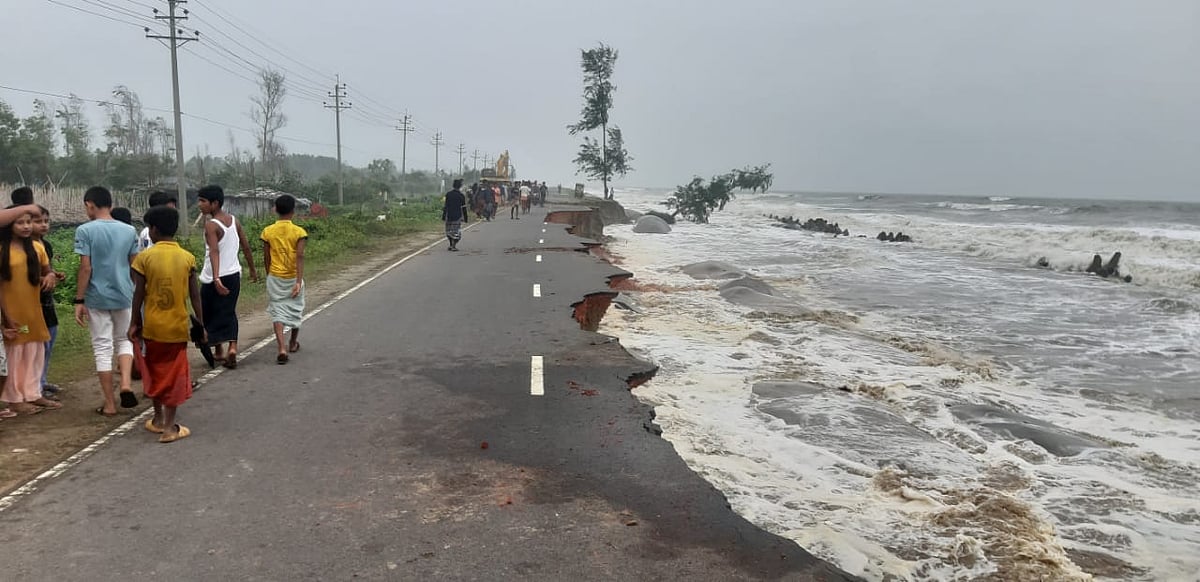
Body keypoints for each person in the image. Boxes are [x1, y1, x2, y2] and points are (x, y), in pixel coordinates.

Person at [129, 206, 202, 443]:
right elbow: (195, 296)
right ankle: (170, 427)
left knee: (156, 370)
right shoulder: (187, 258)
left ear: (154, 230)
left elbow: (138, 295)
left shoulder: (144, 258)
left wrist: (134, 322)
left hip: (153, 328)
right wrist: (201, 324)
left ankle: (158, 419)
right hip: (177, 329)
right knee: (175, 376)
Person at [73, 186, 140, 416]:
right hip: (124, 294)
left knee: (102, 347)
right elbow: (135, 266)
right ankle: (126, 385)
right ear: (110, 204)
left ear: (89, 204)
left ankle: (110, 404)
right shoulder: (129, 230)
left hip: (96, 296)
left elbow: (86, 267)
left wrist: (79, 299)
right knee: (125, 340)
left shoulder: (85, 231)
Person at [0, 206, 59, 414]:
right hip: (12, 311)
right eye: (20, 223)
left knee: (35, 352)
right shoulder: (2, 250)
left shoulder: (37, 247)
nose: (26, 227)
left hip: (34, 311)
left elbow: (47, 270)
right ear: (10, 226)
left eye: (28, 222)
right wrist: (5, 318)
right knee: (15, 355)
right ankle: (14, 398)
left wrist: (50, 276)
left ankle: (33, 393)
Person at [195, 186, 258, 369]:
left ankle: (219, 350)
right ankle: (232, 347)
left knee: (210, 313)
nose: (200, 205)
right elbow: (246, 247)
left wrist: (216, 278)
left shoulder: (211, 225)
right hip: (233, 274)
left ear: (214, 203)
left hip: (213, 277)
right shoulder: (234, 221)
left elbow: (214, 251)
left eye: (203, 201)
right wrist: (252, 270)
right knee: (229, 311)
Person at [261, 195, 307, 364]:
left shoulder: (267, 232)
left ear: (275, 210)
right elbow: (300, 256)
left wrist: (269, 275)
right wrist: (298, 281)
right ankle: (293, 342)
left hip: (275, 276)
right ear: (293, 211)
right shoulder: (299, 232)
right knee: (296, 308)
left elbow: (266, 257)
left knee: (277, 311)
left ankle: (281, 348)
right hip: (293, 276)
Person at [34, 206, 66, 398]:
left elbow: (47, 270)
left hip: (46, 300)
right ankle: (34, 385)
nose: (44, 225)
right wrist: (44, 277)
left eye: (46, 221)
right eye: (39, 221)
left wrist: (53, 274)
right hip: (30, 302)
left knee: (50, 338)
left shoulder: (46, 246)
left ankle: (42, 380)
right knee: (37, 345)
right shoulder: (23, 247)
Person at [442, 179, 468, 252]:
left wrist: (444, 216)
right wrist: (465, 217)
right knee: (456, 232)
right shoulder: (461, 196)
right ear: (460, 186)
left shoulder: (448, 194)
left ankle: (451, 244)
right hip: (457, 216)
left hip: (449, 215)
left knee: (449, 231)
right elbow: (464, 208)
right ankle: (453, 245)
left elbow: (446, 206)